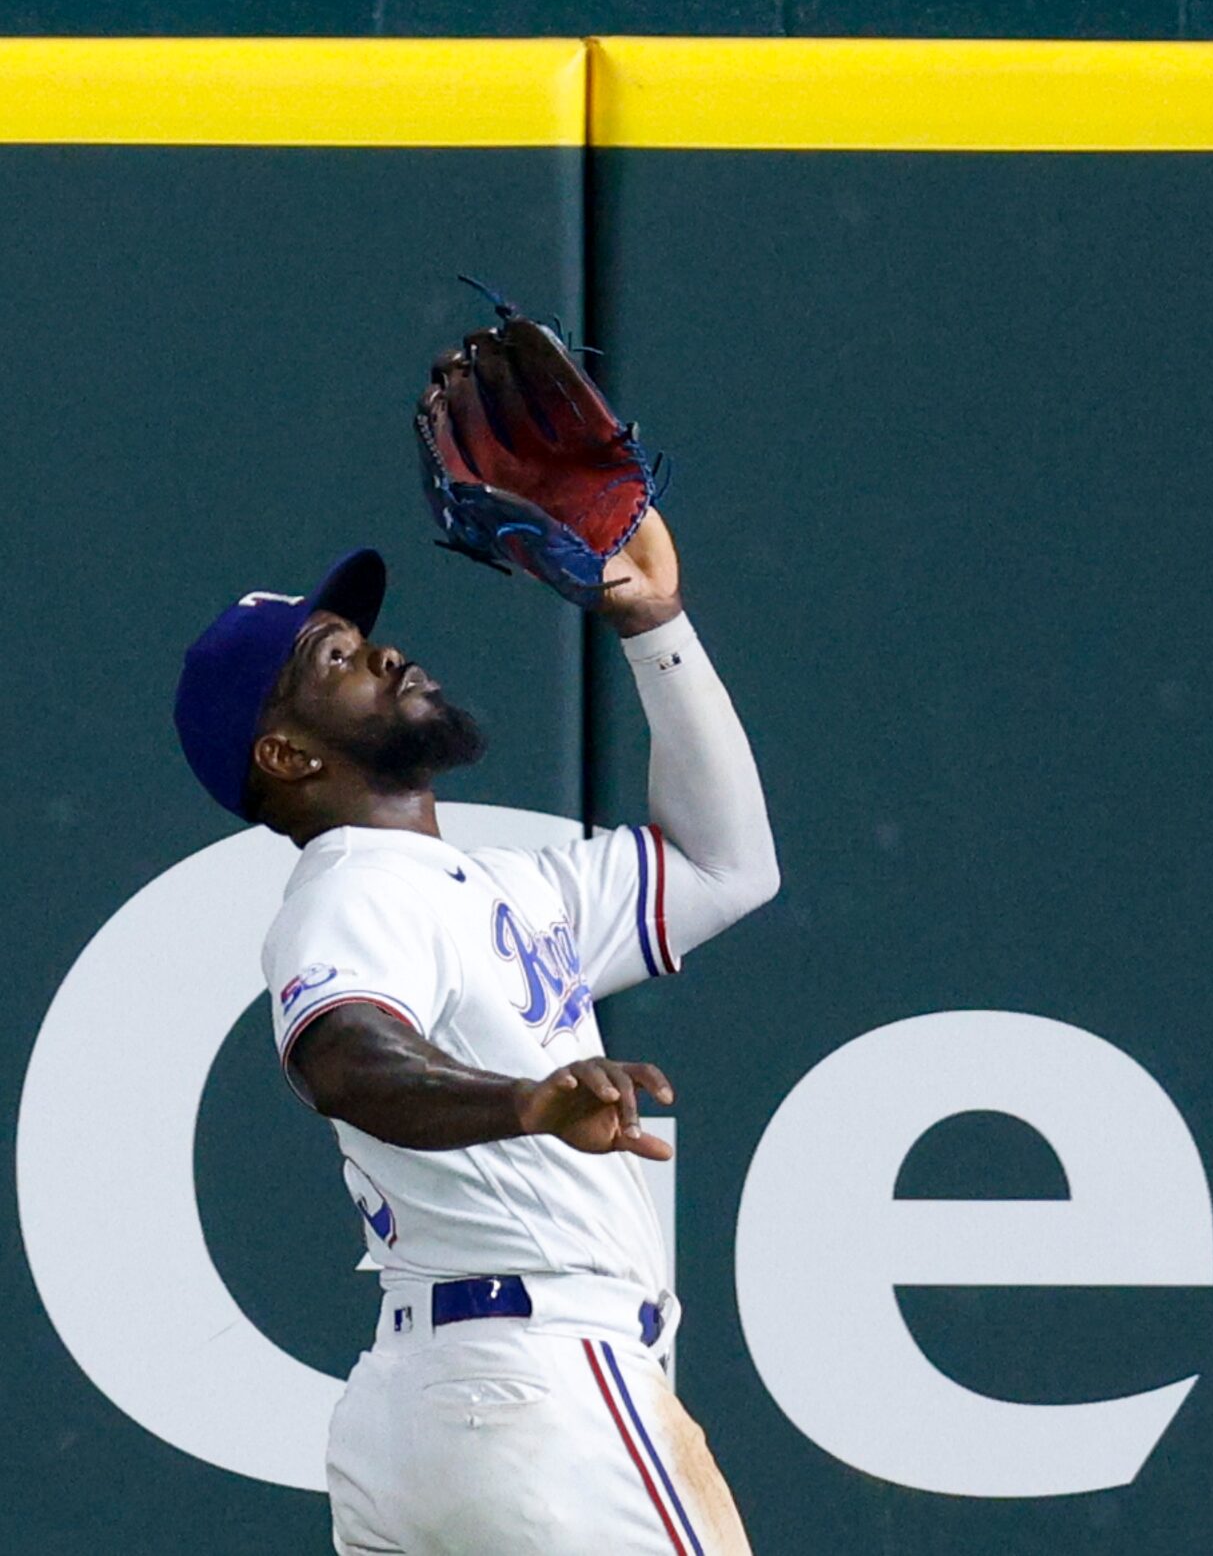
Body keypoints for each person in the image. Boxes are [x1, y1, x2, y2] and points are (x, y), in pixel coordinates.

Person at [174, 509, 779, 1555]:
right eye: (339, 660)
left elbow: (729, 868)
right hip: (538, 1389)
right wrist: (524, 1103)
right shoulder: (353, 886)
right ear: (285, 752)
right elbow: (347, 1058)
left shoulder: (486, 889)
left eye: (364, 639)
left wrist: (655, 626)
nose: (387, 653)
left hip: (445, 1406)